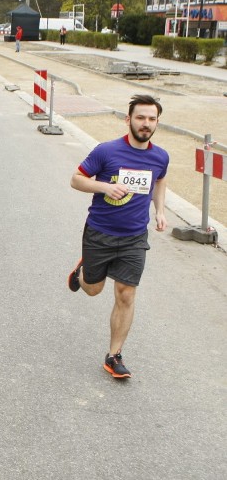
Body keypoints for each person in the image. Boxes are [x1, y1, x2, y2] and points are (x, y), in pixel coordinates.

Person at [67, 95, 169, 379]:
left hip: (135, 237)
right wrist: (103, 187)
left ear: (157, 122)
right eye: (140, 117)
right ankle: (82, 273)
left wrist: (160, 210)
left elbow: (160, 179)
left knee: (126, 293)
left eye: (151, 119)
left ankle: (114, 355)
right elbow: (76, 179)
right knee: (93, 289)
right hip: (100, 232)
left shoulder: (160, 156)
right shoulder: (106, 151)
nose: (146, 124)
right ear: (128, 120)